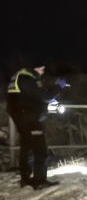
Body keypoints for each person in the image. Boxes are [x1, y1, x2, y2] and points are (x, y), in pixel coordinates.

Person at [7, 59, 68, 190]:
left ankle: (26, 178)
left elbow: (33, 97)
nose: (42, 71)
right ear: (33, 68)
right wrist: (59, 86)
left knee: (26, 148)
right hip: (30, 120)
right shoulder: (26, 79)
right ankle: (40, 181)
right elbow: (44, 97)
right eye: (40, 69)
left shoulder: (19, 77)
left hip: (23, 119)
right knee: (39, 149)